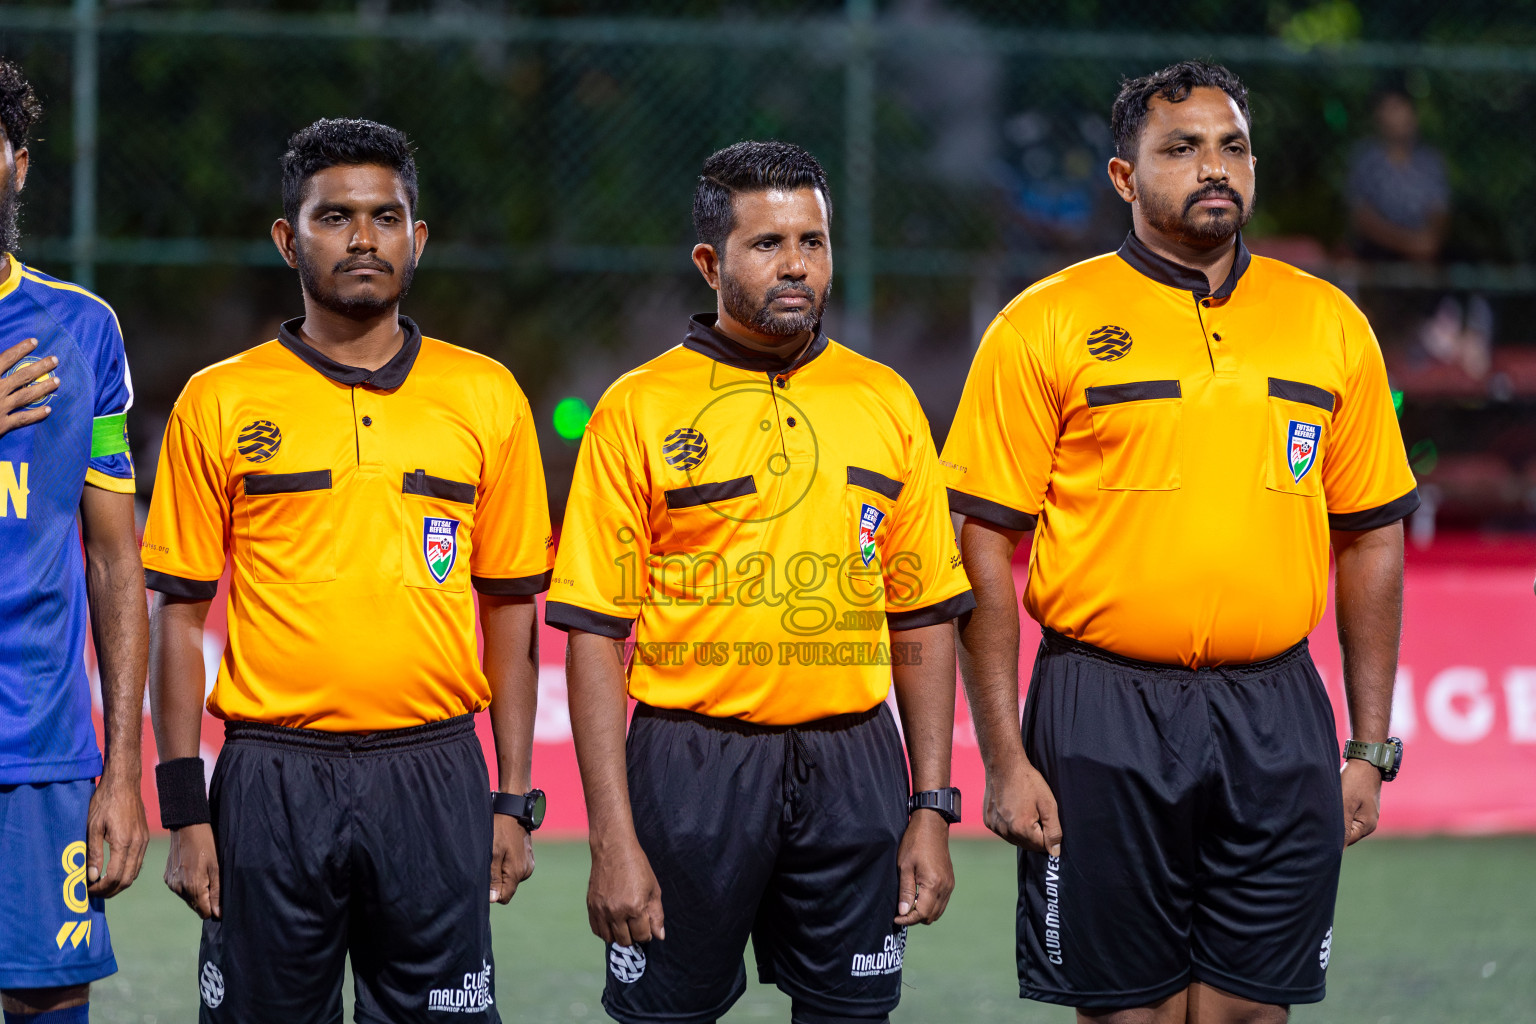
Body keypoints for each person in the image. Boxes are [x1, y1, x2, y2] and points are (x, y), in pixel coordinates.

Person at [942, 61, 1418, 1024]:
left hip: (1277, 710)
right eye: (1182, 148)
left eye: (1232, 145)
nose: (1214, 166)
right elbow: (981, 546)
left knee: (1249, 1010)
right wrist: (1002, 756)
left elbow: (1370, 538)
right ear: (1124, 178)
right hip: (1100, 709)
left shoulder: (1328, 323)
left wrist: (1369, 744)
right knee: (1131, 1013)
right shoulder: (1044, 324)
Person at [547, 140, 975, 1024]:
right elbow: (594, 633)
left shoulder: (887, 402)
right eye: (767, 243)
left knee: (853, 1013)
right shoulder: (639, 409)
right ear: (711, 261)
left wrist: (930, 803)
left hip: (855, 763)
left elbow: (925, 617)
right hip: (690, 764)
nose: (796, 265)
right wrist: (613, 838)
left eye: (812, 242)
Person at [141, 119, 553, 1023]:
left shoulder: (486, 395)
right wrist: (185, 811)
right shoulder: (219, 398)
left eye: (386, 216)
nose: (364, 238)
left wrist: (514, 798)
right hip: (269, 778)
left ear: (419, 237)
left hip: (434, 768)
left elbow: (513, 612)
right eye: (335, 217)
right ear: (289, 240)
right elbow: (177, 616)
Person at [0, 58, 149, 1024]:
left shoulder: (80, 329)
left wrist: (121, 774)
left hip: (42, 752)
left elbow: (113, 561)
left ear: (15, 166)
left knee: (49, 1007)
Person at [1346, 90, 1449, 264]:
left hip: (1425, 250)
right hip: (1379, 250)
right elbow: (1360, 216)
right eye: (1391, 109)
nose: (1399, 116)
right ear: (1378, 116)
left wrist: (1428, 243)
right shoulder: (1366, 160)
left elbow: (1440, 211)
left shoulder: (1430, 161)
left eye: (1403, 107)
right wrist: (1409, 244)